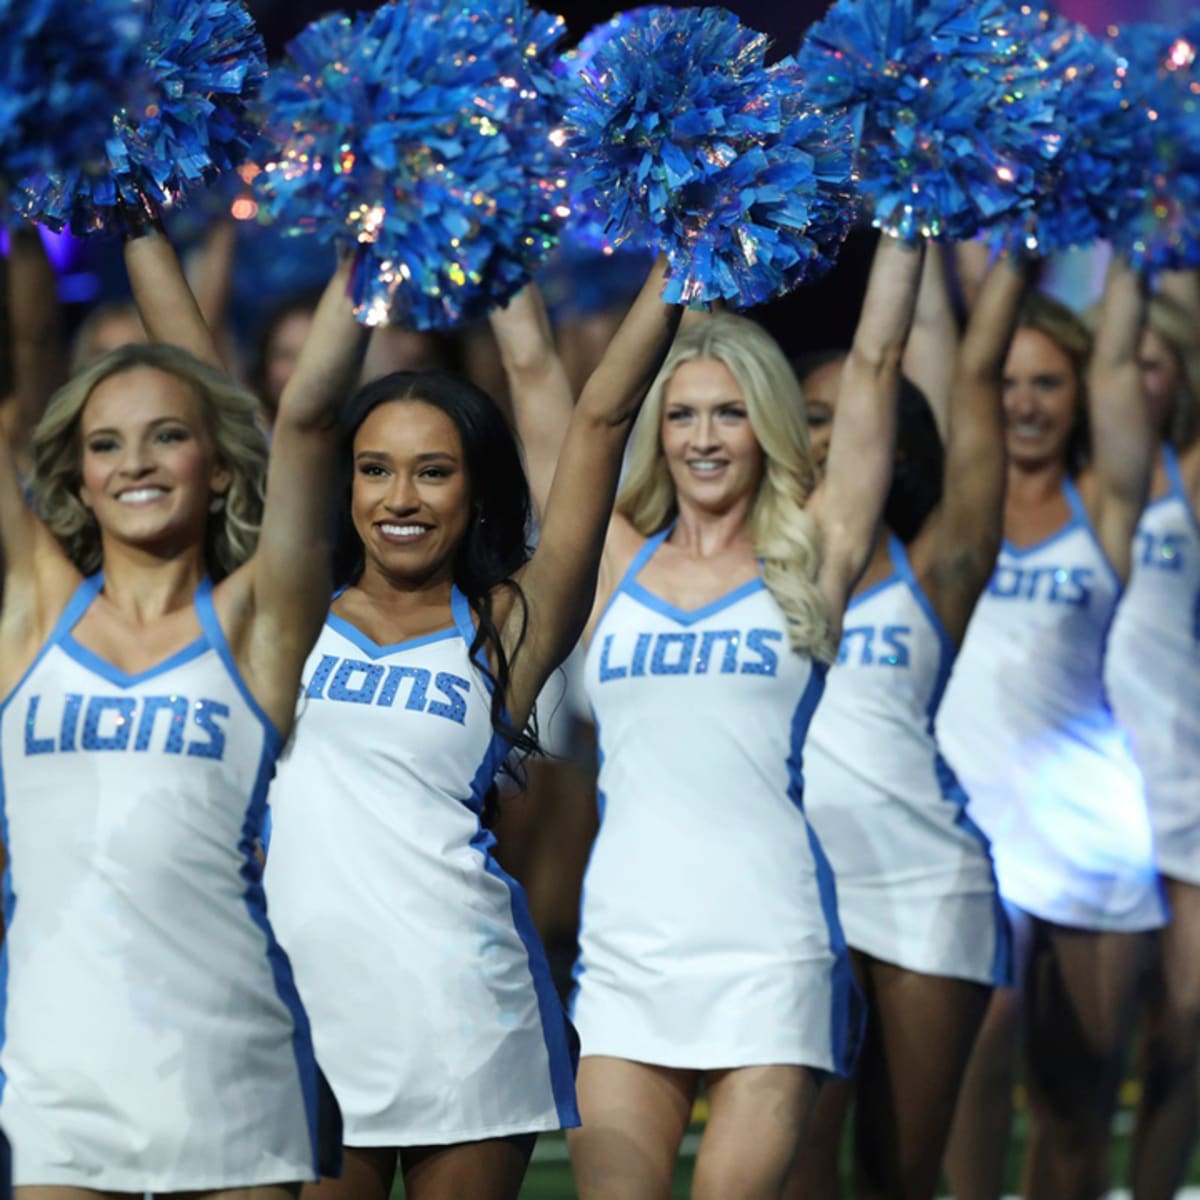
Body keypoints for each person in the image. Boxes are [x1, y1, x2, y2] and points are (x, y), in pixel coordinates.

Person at [504, 234, 925, 1199]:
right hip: (627, 949)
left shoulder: (811, 555)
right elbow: (535, 379)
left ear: (767, 424)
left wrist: (911, 202)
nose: (702, 437)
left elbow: (875, 365)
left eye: (729, 414)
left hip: (772, 944)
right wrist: (490, 220)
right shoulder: (613, 563)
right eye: (683, 414)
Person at [261, 259, 681, 1200]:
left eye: (433, 472)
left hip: (467, 1010)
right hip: (305, 1012)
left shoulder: (511, 623)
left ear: (475, 488)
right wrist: (362, 243)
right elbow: (283, 412)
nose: (399, 499)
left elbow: (602, 417)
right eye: (375, 470)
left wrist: (687, 253)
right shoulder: (282, 611)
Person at [0, 221, 364, 1196]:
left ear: (217, 465)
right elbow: (25, 350)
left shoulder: (255, 621)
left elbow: (312, 426)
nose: (137, 464)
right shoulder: (33, 612)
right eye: (106, 445)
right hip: (52, 1081)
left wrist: (373, 240)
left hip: (230, 1072)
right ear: (76, 475)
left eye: (168, 436)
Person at [786, 253, 1026, 1200]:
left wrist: (1025, 242)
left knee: (901, 1176)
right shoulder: (731, 566)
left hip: (927, 883)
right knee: (793, 1173)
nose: (834, 436)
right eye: (811, 414)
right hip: (793, 890)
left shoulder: (939, 568)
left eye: (851, 415)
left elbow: (972, 372)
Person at [939, 261, 1160, 1200]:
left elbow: (1119, 358)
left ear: (1077, 396)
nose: (1025, 405)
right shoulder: (950, 509)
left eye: (1048, 384)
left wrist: (1143, 225)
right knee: (978, 1060)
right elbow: (936, 358)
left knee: (1077, 1108)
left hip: (1086, 830)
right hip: (968, 828)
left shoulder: (1103, 507)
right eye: (1009, 384)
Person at [1106, 285, 1200, 1200]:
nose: (1137, 379)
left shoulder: (1191, 473)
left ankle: (1157, 1189)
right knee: (1085, 1038)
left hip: (1183, 776)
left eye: (1154, 362)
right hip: (1087, 785)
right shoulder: (1071, 477)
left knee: (1188, 1014)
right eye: (1124, 361)